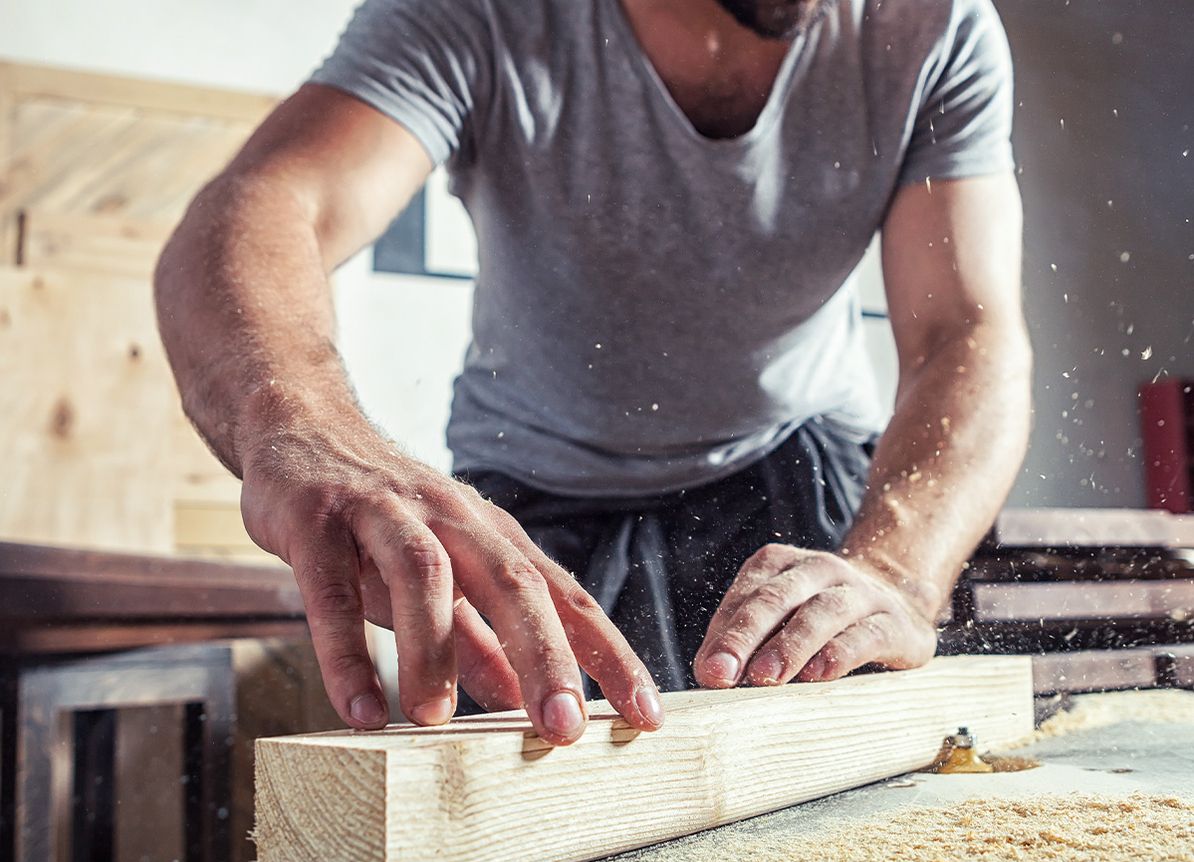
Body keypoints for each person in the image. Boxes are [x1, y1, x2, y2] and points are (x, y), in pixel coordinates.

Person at [155, 0, 1032, 747]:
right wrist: (303, 424)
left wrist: (900, 574)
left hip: (798, 485)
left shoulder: (938, 24)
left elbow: (967, 331)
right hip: (534, 510)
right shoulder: (484, 13)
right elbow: (265, 206)